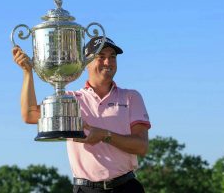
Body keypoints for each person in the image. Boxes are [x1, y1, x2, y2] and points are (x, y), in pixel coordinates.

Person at [12, 36, 151, 193]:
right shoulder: (70, 99)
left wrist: (105, 135)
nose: (108, 62)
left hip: (126, 187)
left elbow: (142, 146)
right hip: (85, 189)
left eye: (112, 57)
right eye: (101, 57)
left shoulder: (131, 97)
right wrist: (27, 72)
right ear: (85, 63)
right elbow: (29, 114)